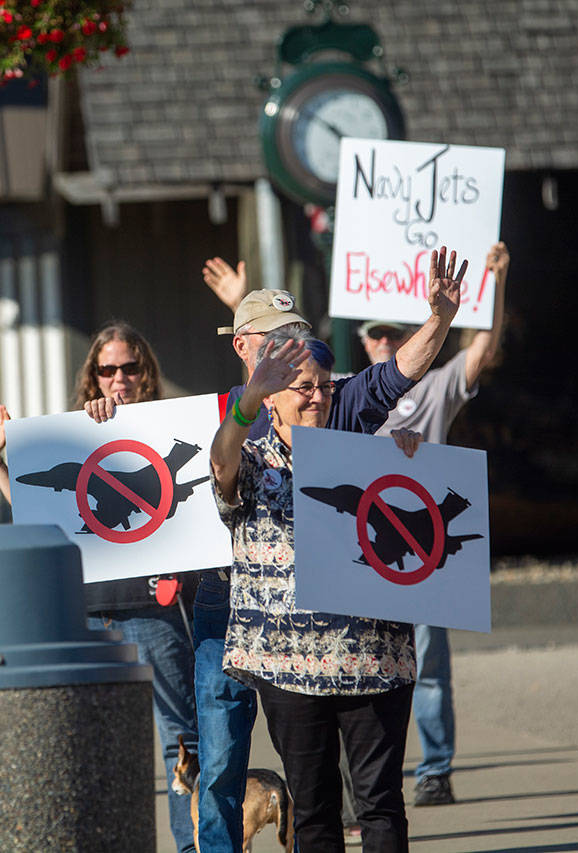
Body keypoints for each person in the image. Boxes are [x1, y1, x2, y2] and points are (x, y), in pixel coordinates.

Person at [208, 247, 467, 850]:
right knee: (315, 813)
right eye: (299, 385)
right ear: (266, 392)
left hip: (374, 658)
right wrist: (253, 396)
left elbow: (401, 370)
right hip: (290, 666)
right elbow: (220, 466)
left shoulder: (352, 414)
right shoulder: (247, 442)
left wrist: (407, 465)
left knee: (381, 810)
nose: (315, 394)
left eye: (321, 384)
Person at [0, 322, 201, 853]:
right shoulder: (73, 434)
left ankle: (193, 845)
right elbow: (38, 515)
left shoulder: (176, 424)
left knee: (182, 741)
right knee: (92, 745)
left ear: (146, 371)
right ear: (93, 375)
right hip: (89, 611)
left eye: (129, 367)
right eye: (108, 369)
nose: (119, 378)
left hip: (155, 608)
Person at [360, 241, 511, 807]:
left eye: (391, 334)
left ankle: (435, 768)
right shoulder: (346, 392)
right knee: (367, 669)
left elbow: (484, 349)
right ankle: (374, 777)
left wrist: (495, 283)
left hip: (424, 545)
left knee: (427, 666)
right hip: (366, 545)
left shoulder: (436, 385)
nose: (381, 342)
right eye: (373, 334)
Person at [193, 268, 311, 852]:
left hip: (299, 595)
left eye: (295, 337)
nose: (287, 351)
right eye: (272, 339)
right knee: (219, 760)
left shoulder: (317, 397)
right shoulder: (210, 412)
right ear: (242, 347)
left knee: (310, 756)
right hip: (224, 593)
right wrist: (103, 411)